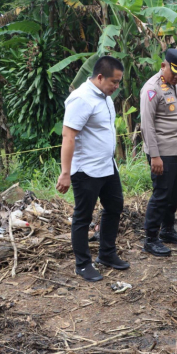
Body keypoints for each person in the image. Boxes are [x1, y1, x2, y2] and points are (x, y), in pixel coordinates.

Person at [57, 56, 128, 282]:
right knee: (83, 216)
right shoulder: (81, 99)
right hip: (86, 170)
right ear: (99, 77)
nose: (116, 87)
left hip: (107, 166)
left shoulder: (105, 96)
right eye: (114, 82)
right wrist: (66, 173)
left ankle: (106, 254)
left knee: (114, 207)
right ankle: (83, 264)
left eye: (118, 82)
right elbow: (68, 136)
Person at [139, 49, 177, 258]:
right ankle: (151, 239)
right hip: (162, 153)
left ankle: (168, 230)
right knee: (161, 194)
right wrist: (155, 156)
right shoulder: (152, 89)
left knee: (174, 193)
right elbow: (147, 125)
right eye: (174, 72)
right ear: (164, 65)